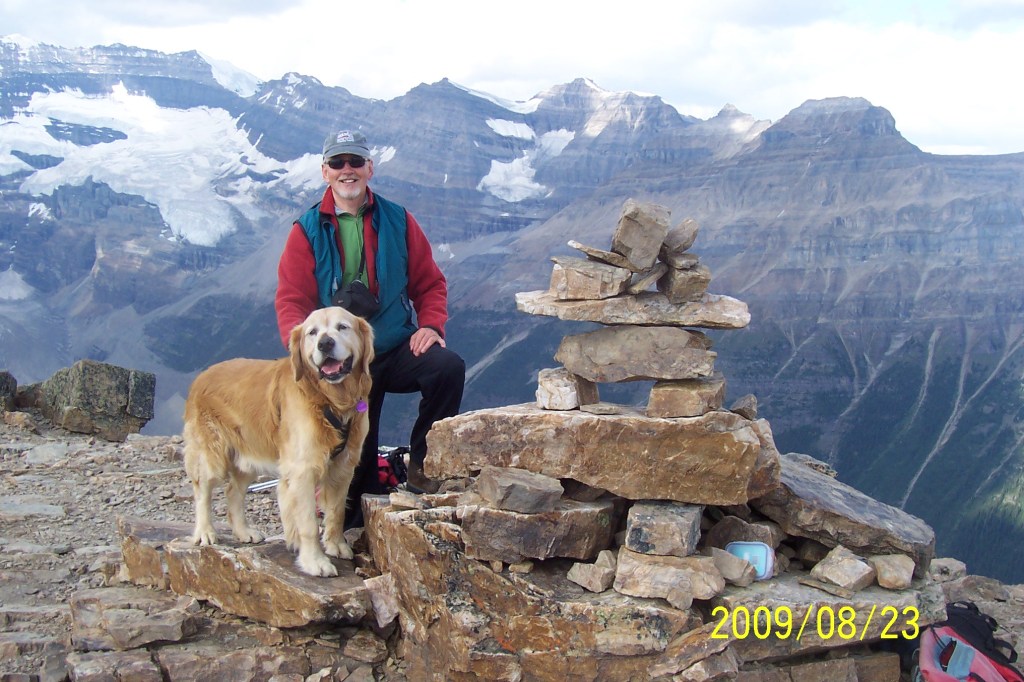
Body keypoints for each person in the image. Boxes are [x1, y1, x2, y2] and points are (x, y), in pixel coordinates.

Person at [275, 129, 465, 523]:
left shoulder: (398, 220)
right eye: (339, 163)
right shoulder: (307, 230)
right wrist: (306, 353)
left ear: (369, 169)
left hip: (394, 349)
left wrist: (431, 325)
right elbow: (292, 299)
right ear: (325, 171)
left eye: (356, 162)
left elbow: (430, 284)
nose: (348, 170)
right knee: (356, 484)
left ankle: (424, 466)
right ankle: (346, 530)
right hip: (344, 366)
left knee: (447, 368)